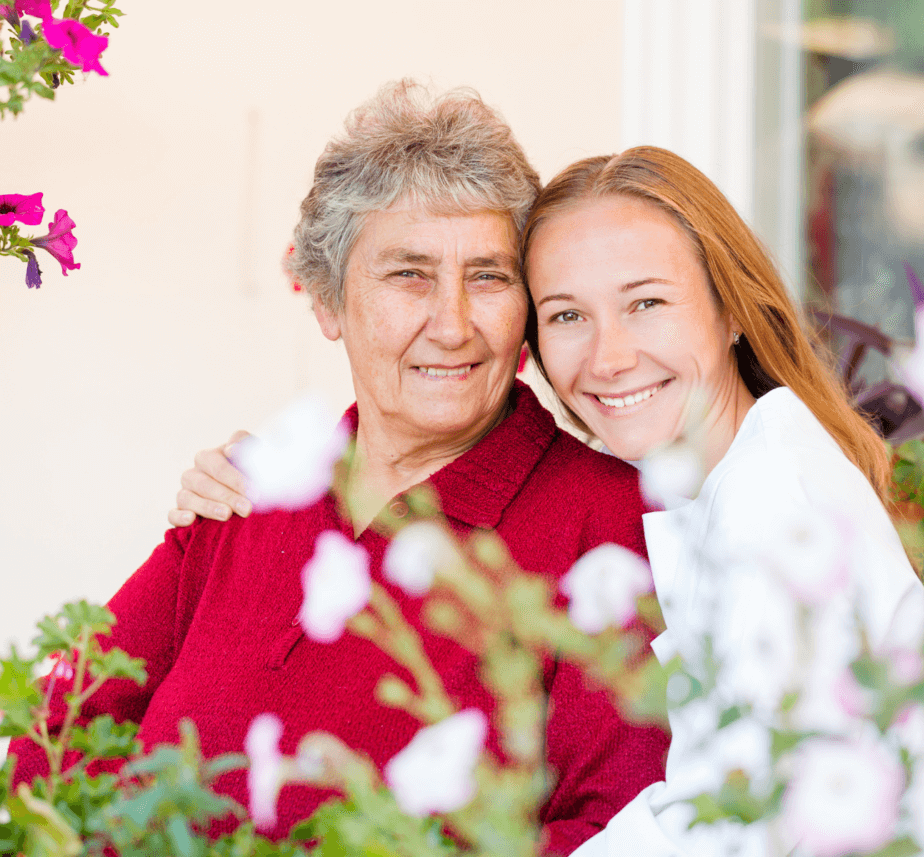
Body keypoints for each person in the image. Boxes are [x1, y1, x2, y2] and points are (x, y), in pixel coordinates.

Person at [179, 146, 924, 855]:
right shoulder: (710, 493)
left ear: (731, 306)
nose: (610, 356)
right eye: (567, 316)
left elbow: (737, 825)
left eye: (647, 303)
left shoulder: (781, 506)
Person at [8, 84, 670, 855]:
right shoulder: (247, 491)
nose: (452, 324)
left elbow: (616, 835)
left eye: (488, 276)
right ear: (327, 300)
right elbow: (57, 738)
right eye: (409, 275)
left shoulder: (611, 528)